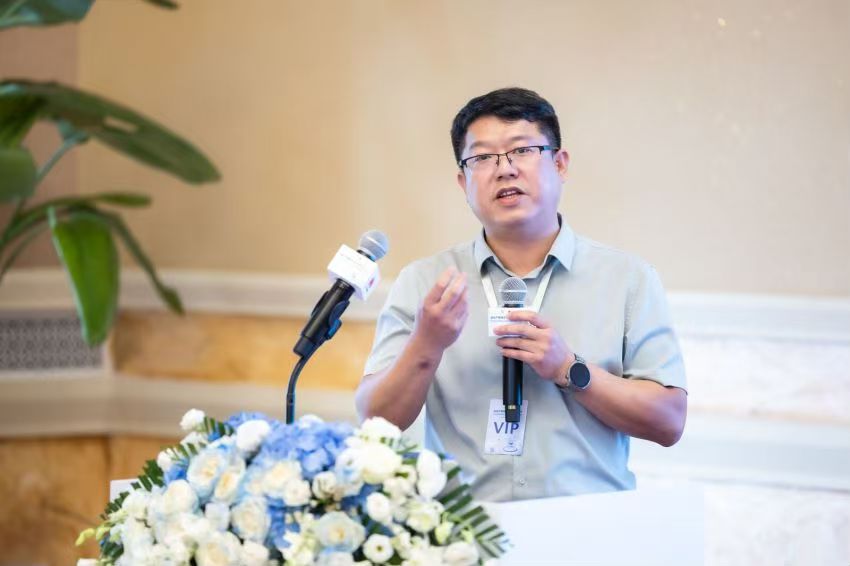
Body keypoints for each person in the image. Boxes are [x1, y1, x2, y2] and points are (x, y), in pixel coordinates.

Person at [355, 87, 687, 501]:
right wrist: (427, 344)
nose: (505, 170)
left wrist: (567, 367)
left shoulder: (628, 279)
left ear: (560, 164)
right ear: (463, 181)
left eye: (522, 150)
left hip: (588, 525)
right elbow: (376, 419)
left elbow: (668, 422)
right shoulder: (425, 283)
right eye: (482, 158)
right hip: (466, 529)